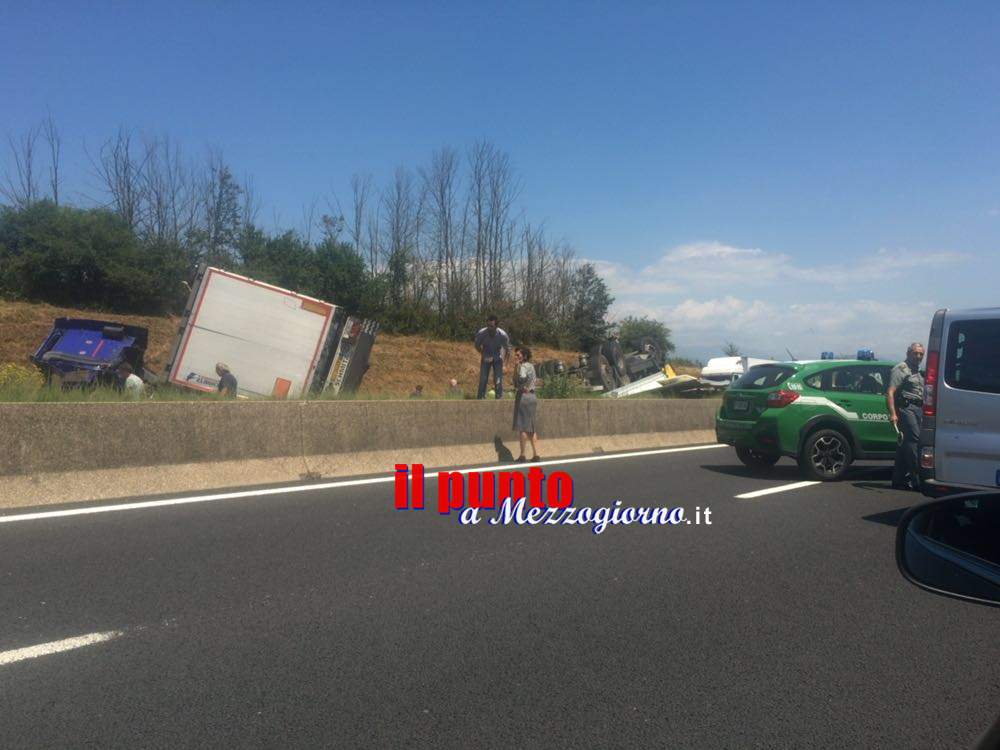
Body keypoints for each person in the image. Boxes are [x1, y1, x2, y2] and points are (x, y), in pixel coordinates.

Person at [887, 342, 925, 490]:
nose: (918, 356)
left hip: (917, 408)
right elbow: (890, 392)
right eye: (915, 353)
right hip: (906, 409)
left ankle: (898, 480)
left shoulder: (918, 370)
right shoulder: (901, 369)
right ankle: (918, 481)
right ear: (908, 353)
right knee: (914, 443)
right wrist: (893, 414)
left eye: (921, 354)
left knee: (904, 446)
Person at [512, 346, 541, 462]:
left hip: (524, 396)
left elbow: (522, 377)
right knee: (531, 427)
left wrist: (518, 368)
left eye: (518, 355)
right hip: (533, 396)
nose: (516, 357)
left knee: (522, 427)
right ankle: (536, 454)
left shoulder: (523, 366)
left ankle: (523, 455)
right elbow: (533, 379)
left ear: (524, 356)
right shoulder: (531, 366)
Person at [475, 315, 511, 399]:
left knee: (498, 380)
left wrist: (505, 365)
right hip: (486, 357)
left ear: (496, 326)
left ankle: (499, 399)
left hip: (497, 358)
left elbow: (508, 350)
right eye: (488, 326)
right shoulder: (481, 333)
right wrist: (482, 353)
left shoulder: (502, 335)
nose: (489, 328)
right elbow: (477, 345)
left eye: (491, 326)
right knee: (483, 379)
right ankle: (480, 399)